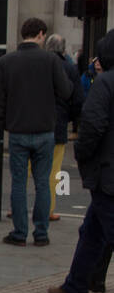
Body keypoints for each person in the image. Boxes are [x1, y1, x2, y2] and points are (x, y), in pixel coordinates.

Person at [48, 31, 114, 293]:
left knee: (103, 229)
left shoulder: (105, 82)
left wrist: (83, 156)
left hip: (108, 172)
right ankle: (75, 286)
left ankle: (75, 287)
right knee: (92, 231)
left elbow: (93, 125)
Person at [0, 18, 72, 246]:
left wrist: (2, 121)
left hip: (18, 130)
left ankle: (19, 233)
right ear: (40, 34)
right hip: (45, 130)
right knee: (42, 182)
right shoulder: (51, 60)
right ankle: (41, 233)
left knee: (18, 183)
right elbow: (66, 92)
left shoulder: (6, 62)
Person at [45, 33, 85, 221]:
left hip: (31, 123)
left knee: (24, 171)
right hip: (57, 124)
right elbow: (77, 99)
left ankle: (16, 207)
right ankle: (48, 209)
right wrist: (68, 118)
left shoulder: (38, 64)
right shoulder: (69, 68)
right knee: (53, 171)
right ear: (63, 49)